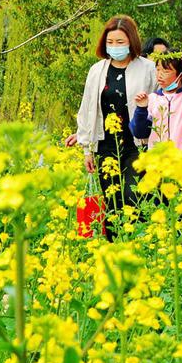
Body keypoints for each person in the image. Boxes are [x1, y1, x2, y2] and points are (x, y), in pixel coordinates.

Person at [65, 15, 155, 238]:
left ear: (131, 41)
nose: (115, 47)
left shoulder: (148, 68)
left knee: (132, 196)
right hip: (106, 145)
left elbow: (160, 102)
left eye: (120, 42)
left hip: (137, 144)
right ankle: (113, 250)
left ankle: (137, 246)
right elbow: (88, 109)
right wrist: (87, 147)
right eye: (111, 42)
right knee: (112, 202)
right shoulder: (97, 70)